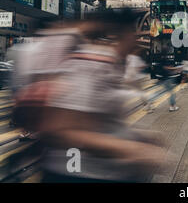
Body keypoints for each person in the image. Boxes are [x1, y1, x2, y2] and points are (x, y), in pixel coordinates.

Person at [35, 9, 169, 182]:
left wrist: (138, 138)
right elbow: (63, 130)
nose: (140, 40)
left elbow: (100, 122)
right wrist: (130, 149)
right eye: (135, 34)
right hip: (75, 174)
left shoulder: (113, 64)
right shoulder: (89, 65)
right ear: (121, 34)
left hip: (103, 172)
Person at [160, 47, 181, 112]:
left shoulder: (162, 58)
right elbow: (166, 67)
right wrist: (174, 69)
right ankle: (172, 107)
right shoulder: (164, 59)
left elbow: (167, 68)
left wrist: (175, 70)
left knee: (171, 93)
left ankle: (173, 106)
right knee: (172, 93)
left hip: (165, 78)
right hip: (167, 79)